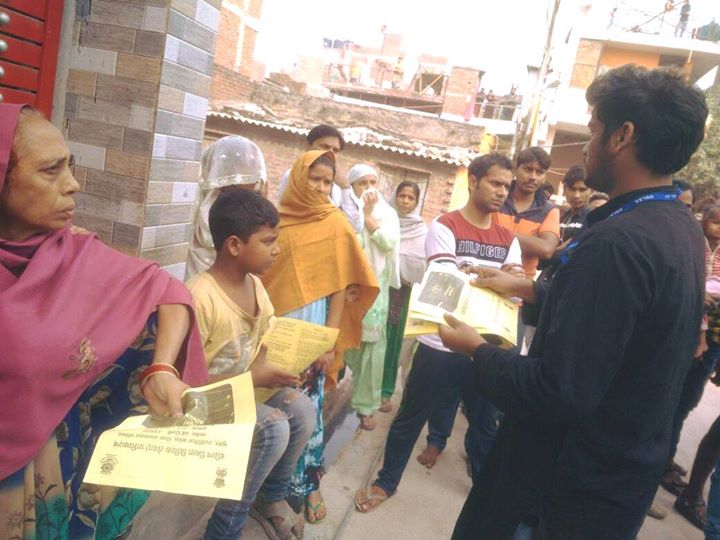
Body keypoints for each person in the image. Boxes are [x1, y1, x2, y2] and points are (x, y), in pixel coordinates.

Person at [438, 65, 708, 539]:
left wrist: (476, 351)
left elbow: (558, 390)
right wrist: (528, 288)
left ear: (622, 136)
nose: (586, 144)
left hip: (559, 493)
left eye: (594, 129)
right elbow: (621, 321)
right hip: (613, 479)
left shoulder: (619, 244)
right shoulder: (676, 224)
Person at [0, 104, 209, 539]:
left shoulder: (73, 255)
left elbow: (165, 291)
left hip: (55, 478)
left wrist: (162, 367)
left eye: (70, 168)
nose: (73, 185)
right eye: (50, 171)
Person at [354, 153, 523, 513]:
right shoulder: (444, 226)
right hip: (441, 344)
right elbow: (449, 280)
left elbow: (517, 285)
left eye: (506, 186)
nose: (501, 192)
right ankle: (386, 482)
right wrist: (498, 281)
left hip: (486, 349)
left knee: (484, 426)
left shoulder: (509, 237)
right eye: (495, 183)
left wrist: (479, 273)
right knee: (410, 417)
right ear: (474, 181)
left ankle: (484, 494)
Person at [187, 190, 316, 539]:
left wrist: (293, 359)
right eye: (268, 241)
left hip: (241, 392)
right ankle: (224, 527)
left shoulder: (256, 286)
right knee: (273, 427)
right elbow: (183, 383)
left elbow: (268, 341)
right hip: (197, 405)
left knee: (301, 408)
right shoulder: (200, 298)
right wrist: (250, 376)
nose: (277, 250)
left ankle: (270, 499)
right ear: (233, 245)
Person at [261, 150, 378, 524]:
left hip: (314, 331)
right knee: (273, 408)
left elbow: (342, 289)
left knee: (308, 410)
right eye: (314, 178)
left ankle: (307, 485)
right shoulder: (276, 221)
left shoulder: (337, 225)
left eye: (328, 182)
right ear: (297, 177)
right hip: (274, 331)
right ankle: (263, 491)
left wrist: (329, 343)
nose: (321, 187)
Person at [662, 205, 720, 530]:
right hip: (692, 336)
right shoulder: (693, 244)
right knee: (671, 398)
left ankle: (665, 458)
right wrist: (699, 333)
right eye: (715, 222)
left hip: (713, 340)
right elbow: (696, 292)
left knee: (687, 401)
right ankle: (660, 459)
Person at [343, 164, 400, 430]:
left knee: (372, 349)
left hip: (375, 288)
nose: (368, 188)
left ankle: (365, 406)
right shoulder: (343, 210)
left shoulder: (387, 214)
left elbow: (388, 243)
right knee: (340, 341)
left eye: (372, 182)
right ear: (352, 187)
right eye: (361, 183)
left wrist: (368, 218)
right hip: (346, 287)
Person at [187, 136, 268, 278]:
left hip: (233, 278)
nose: (243, 175)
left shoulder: (253, 205)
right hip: (194, 272)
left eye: (249, 168)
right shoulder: (196, 199)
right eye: (237, 168)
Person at [381, 181, 428, 413]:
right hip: (377, 289)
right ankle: (363, 388)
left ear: (416, 202)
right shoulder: (382, 219)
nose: (406, 201)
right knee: (369, 339)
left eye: (411, 198)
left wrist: (398, 264)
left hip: (401, 292)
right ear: (395, 196)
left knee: (391, 344)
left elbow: (420, 263)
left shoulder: (421, 229)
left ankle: (385, 391)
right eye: (402, 196)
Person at [276, 124, 362, 233]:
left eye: (335, 150)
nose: (330, 153)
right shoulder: (295, 176)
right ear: (307, 146)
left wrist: (345, 186)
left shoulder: (338, 184)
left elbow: (354, 227)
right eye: (325, 147)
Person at [494, 146, 560, 280]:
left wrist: (496, 233)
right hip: (486, 275)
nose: (533, 177)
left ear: (545, 176)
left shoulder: (549, 210)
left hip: (519, 287)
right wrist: (531, 242)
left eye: (539, 172)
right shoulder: (497, 197)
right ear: (516, 169)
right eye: (528, 170)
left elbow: (546, 249)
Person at [559, 165, 591, 243]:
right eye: (572, 189)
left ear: (591, 191)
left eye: (582, 190)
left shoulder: (593, 218)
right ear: (564, 189)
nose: (576, 195)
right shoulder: (561, 216)